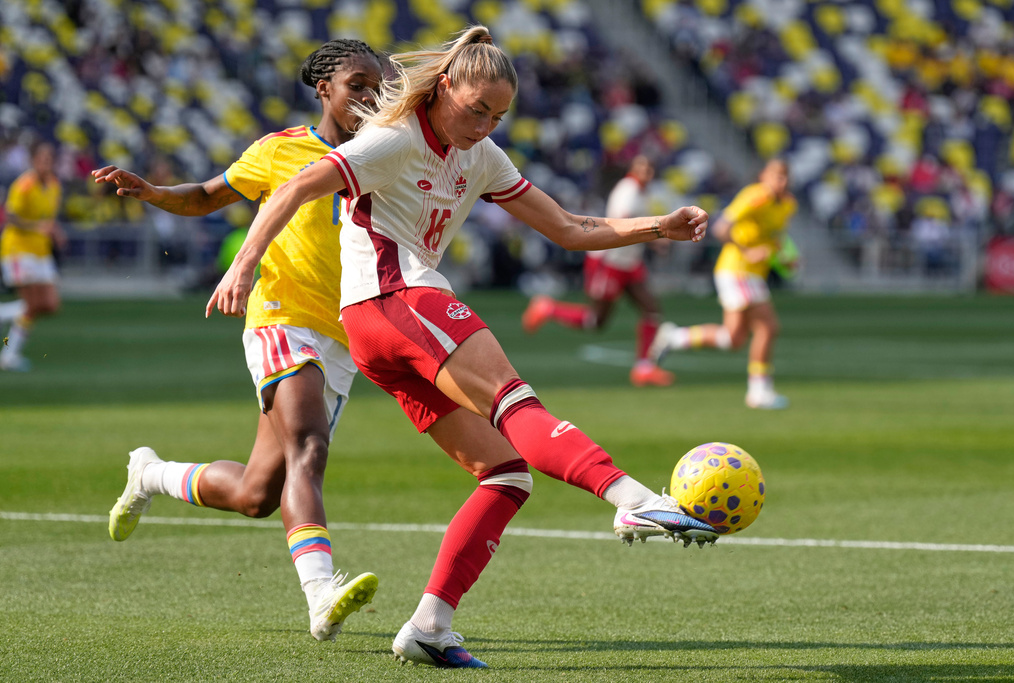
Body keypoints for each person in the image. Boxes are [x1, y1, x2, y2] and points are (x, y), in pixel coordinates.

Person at [209, 26, 718, 669]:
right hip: (397, 299)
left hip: (380, 329)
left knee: (505, 473)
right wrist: (243, 263)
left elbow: (566, 227)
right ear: (445, 85)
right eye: (476, 110)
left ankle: (429, 627)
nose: (484, 126)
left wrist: (658, 227)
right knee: (515, 403)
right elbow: (295, 186)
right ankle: (635, 502)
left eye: (498, 116)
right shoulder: (394, 136)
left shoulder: (481, 154)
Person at [92, 39, 388, 643]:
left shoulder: (388, 153)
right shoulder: (280, 151)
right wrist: (153, 193)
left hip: (342, 333)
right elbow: (207, 196)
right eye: (357, 83)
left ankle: (150, 475)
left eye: (377, 86)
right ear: (324, 88)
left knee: (259, 493)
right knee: (309, 445)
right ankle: (320, 594)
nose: (369, 96)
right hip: (281, 317)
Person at [648, 158, 797, 409]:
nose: (781, 181)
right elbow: (722, 228)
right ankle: (759, 391)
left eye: (785, 176)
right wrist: (747, 251)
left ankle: (675, 337)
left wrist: (785, 257)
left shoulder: (787, 205)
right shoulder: (755, 196)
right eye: (776, 175)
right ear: (763, 175)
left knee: (733, 339)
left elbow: (774, 238)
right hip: (737, 268)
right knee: (767, 327)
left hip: (750, 273)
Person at [521, 154, 675, 387]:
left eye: (651, 168)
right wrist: (657, 239)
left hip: (628, 261)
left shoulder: (643, 192)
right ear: (633, 169)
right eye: (643, 168)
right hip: (609, 261)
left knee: (651, 310)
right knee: (596, 321)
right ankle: (548, 308)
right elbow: (624, 221)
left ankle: (644, 368)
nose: (648, 173)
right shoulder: (628, 191)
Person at [0, 140, 64, 372]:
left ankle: (3, 315)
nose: (47, 163)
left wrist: (54, 231)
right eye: (43, 159)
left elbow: (47, 218)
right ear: (33, 160)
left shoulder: (54, 185)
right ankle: (8, 355)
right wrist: (37, 227)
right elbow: (11, 216)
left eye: (50, 159)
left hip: (41, 250)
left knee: (50, 304)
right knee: (31, 305)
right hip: (18, 248)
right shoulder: (24, 185)